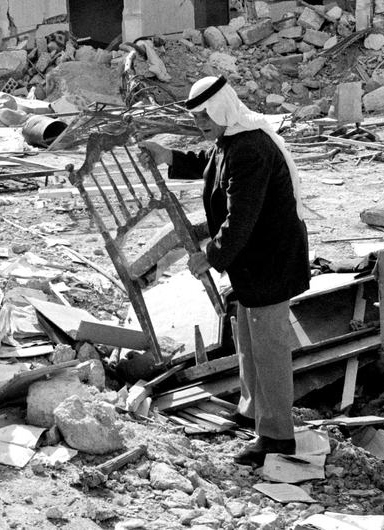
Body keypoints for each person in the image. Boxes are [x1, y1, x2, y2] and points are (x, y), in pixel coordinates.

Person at [140, 76, 310, 467]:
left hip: (269, 260)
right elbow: (211, 164)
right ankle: (253, 413)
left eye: (204, 115)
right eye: (196, 116)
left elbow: (241, 220)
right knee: (249, 341)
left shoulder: (249, 147)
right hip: (256, 261)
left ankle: (277, 436)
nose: (200, 122)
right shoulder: (233, 138)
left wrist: (210, 256)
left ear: (220, 109)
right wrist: (170, 157)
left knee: (268, 349)